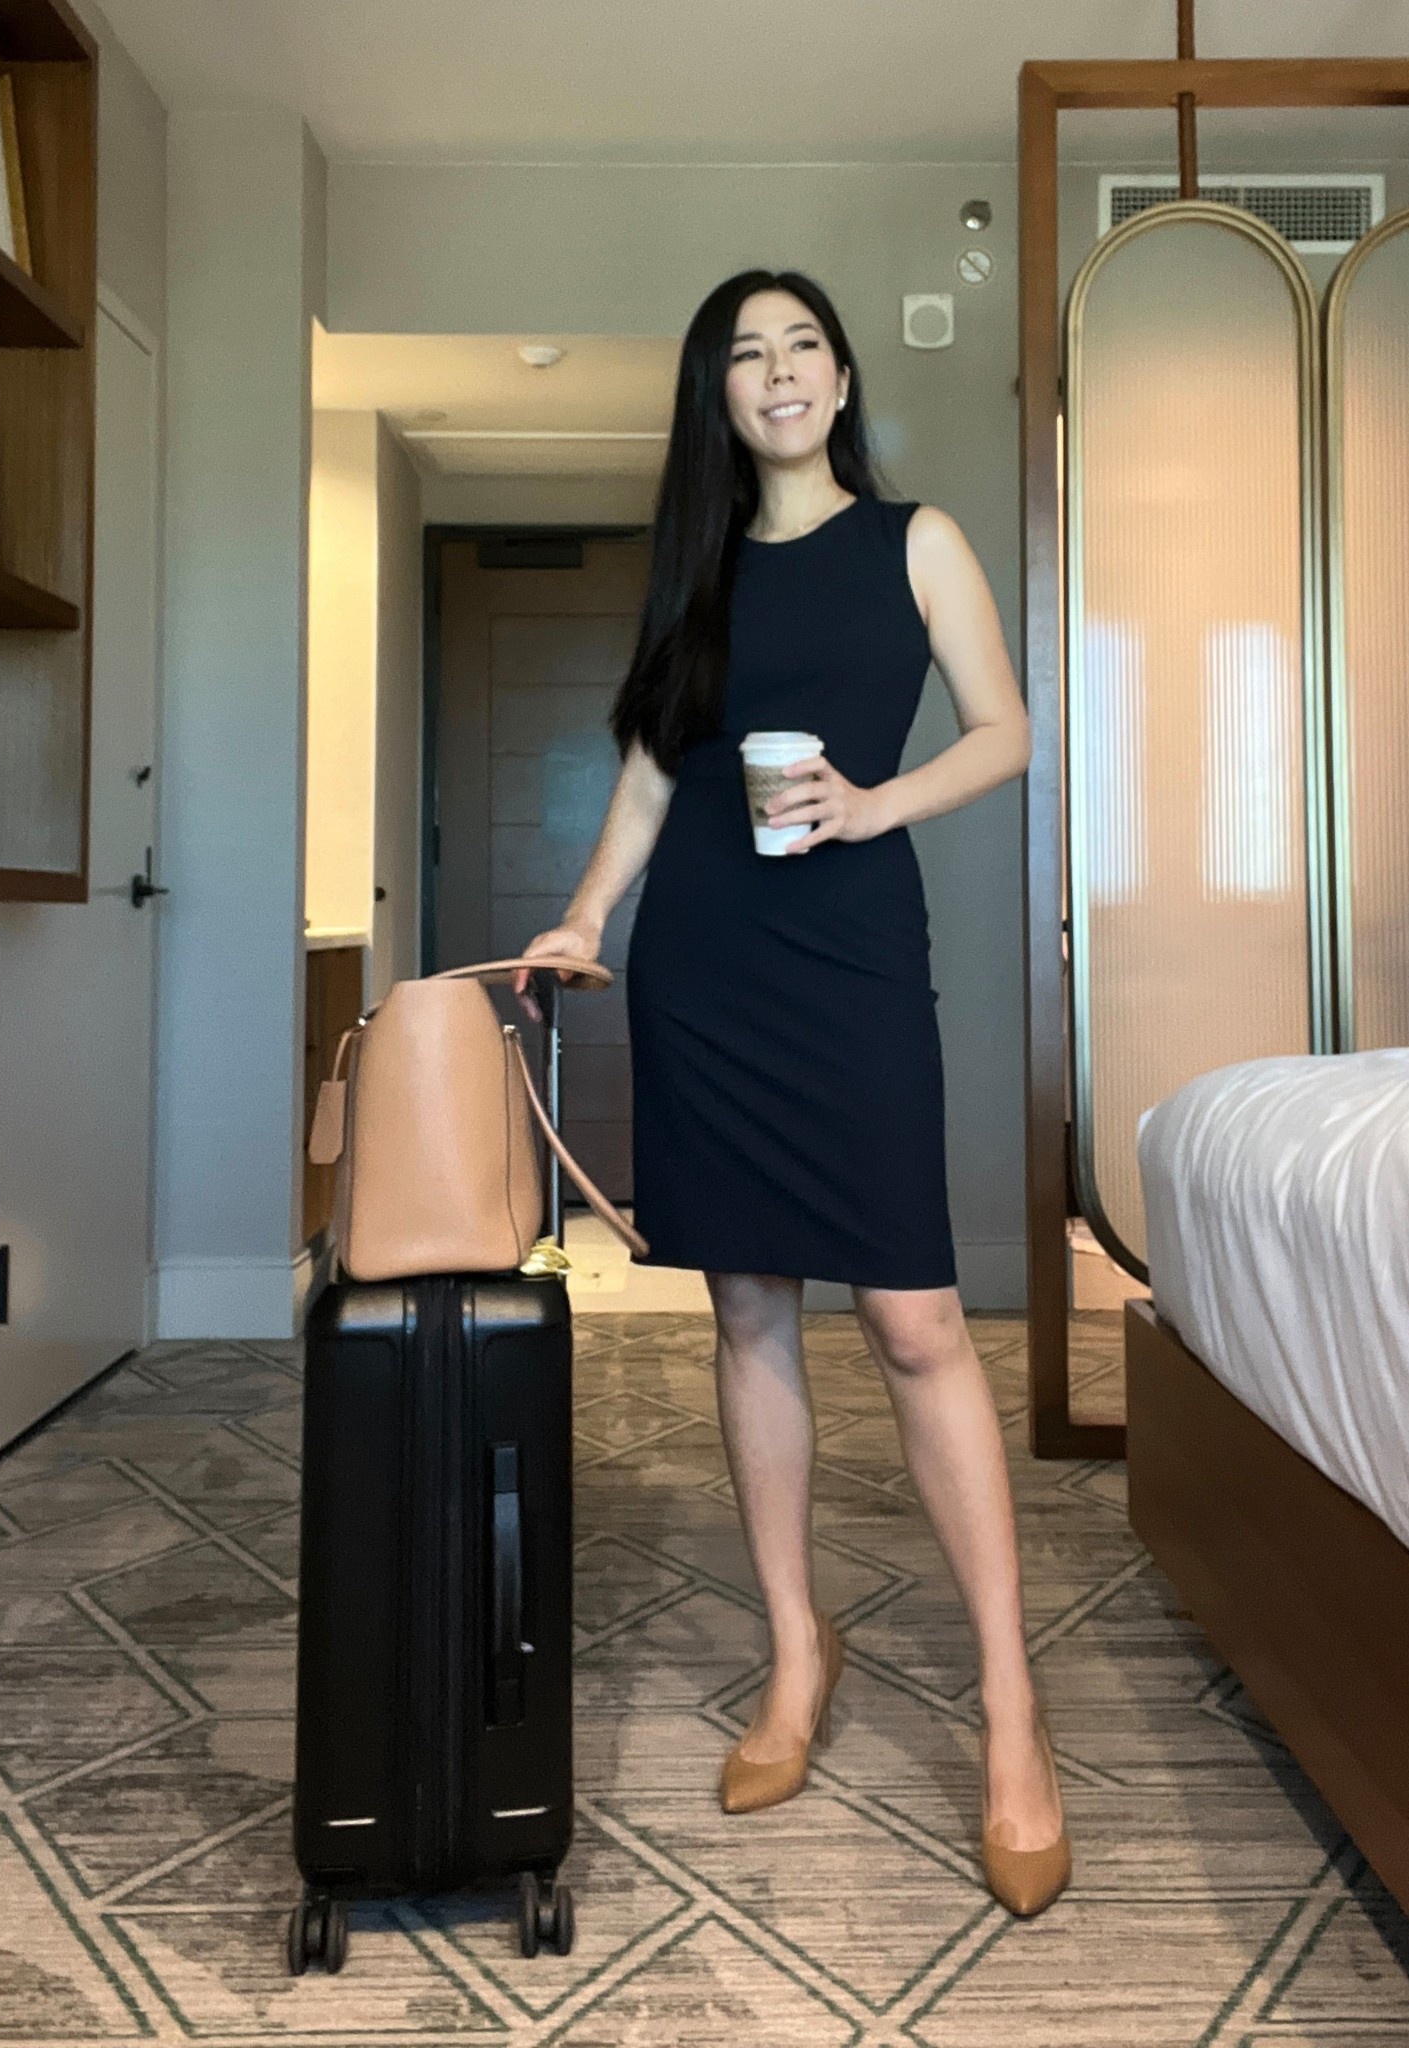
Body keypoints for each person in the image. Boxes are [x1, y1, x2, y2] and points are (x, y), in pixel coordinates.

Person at [513, 268, 1069, 1917]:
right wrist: (585, 910)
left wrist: (875, 800)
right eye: (745, 354)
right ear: (720, 396)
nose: (778, 373)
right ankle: (795, 1658)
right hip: (705, 966)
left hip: (850, 960)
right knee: (747, 1313)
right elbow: (648, 767)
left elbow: (1008, 731)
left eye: (800, 347)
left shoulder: (917, 543)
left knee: (914, 1323)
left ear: (837, 380)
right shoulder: (691, 573)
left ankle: (1009, 1710)